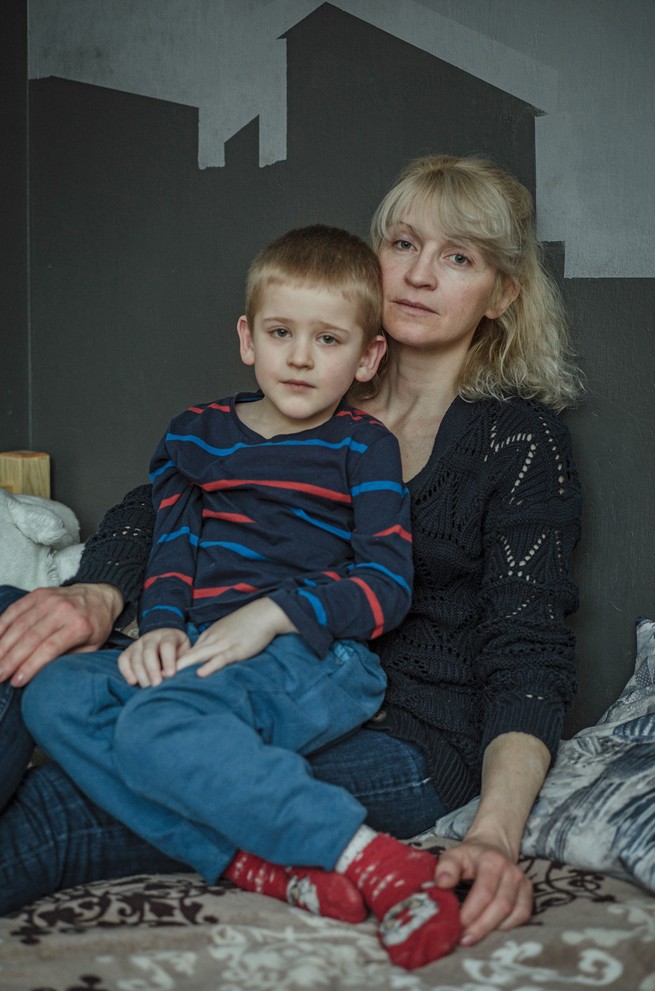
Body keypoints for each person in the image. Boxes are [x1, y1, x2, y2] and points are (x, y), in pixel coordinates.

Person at [0, 154, 582, 953]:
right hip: (235, 675)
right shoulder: (315, 378)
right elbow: (162, 502)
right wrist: (98, 592)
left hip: (395, 728)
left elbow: (528, 655)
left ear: (502, 292)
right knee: (20, 641)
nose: (417, 275)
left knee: (70, 796)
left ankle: (333, 863)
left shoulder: (516, 440)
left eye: (457, 257)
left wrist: (493, 832)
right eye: (403, 244)